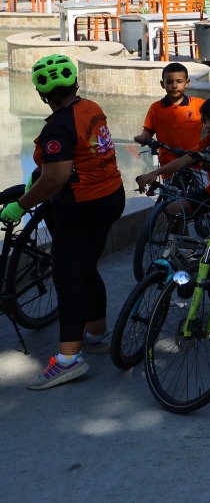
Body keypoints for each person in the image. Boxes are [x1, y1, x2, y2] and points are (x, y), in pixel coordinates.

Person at [1, 56, 124, 389]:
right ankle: (96, 335)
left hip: (82, 208)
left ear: (43, 95)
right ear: (75, 86)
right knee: (86, 269)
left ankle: (68, 360)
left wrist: (19, 206)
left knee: (69, 278)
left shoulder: (57, 126)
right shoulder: (90, 107)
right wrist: (39, 176)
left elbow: (55, 179)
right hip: (110, 197)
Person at [136, 62, 204, 164]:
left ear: (187, 83)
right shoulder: (156, 108)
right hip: (168, 164)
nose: (174, 86)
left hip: (195, 162)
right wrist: (143, 137)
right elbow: (148, 131)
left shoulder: (199, 104)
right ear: (162, 84)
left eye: (179, 81)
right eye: (169, 82)